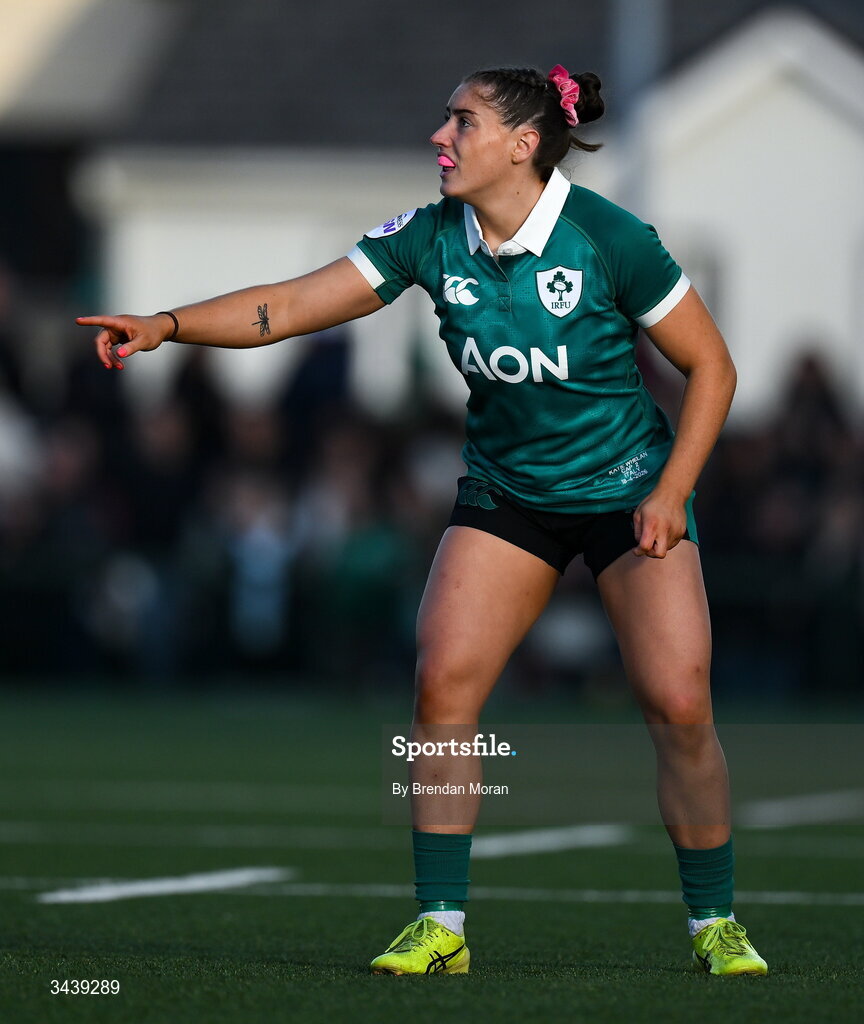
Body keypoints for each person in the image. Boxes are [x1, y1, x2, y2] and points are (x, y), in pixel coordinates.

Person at [77, 63, 767, 978]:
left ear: (523, 145)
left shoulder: (612, 238)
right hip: (505, 496)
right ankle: (441, 927)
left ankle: (713, 924)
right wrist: (166, 325)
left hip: (626, 491)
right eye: (446, 122)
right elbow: (283, 309)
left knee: (680, 707)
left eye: (461, 123)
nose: (439, 139)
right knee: (441, 690)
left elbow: (712, 370)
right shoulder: (427, 238)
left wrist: (672, 490)